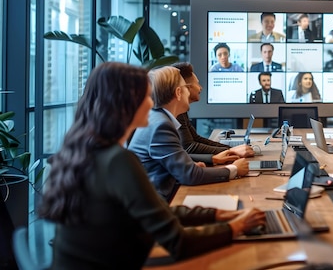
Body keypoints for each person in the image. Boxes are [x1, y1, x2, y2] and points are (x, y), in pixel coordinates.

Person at [38, 62, 265, 269]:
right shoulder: (118, 161)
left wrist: (218, 215)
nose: (152, 103)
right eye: (146, 96)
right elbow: (178, 242)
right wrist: (237, 227)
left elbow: (156, 211)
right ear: (127, 104)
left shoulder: (87, 152)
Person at [128, 66, 249, 201]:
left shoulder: (158, 118)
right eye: (186, 87)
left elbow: (177, 163)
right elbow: (189, 175)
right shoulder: (161, 126)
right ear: (178, 92)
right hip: (160, 204)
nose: (189, 91)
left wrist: (193, 164)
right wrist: (233, 169)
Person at [172, 62, 254, 165]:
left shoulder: (180, 112)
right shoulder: (172, 116)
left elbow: (196, 139)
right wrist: (230, 152)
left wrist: (231, 149)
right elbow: (189, 147)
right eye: (197, 84)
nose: (200, 88)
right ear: (184, 89)